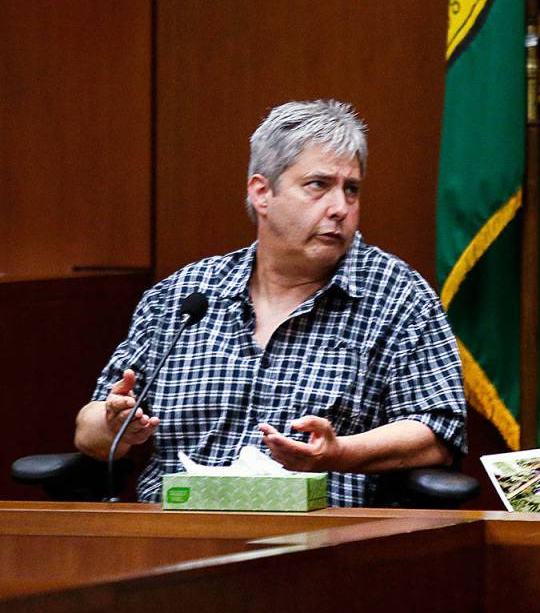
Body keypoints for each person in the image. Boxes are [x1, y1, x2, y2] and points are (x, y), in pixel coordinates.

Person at [75, 99, 466, 507]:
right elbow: (89, 431)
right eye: (318, 185)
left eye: (351, 189)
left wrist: (339, 453)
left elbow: (437, 432)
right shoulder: (183, 295)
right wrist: (114, 425)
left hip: (319, 533)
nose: (340, 208)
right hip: (174, 528)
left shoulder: (398, 296)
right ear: (262, 193)